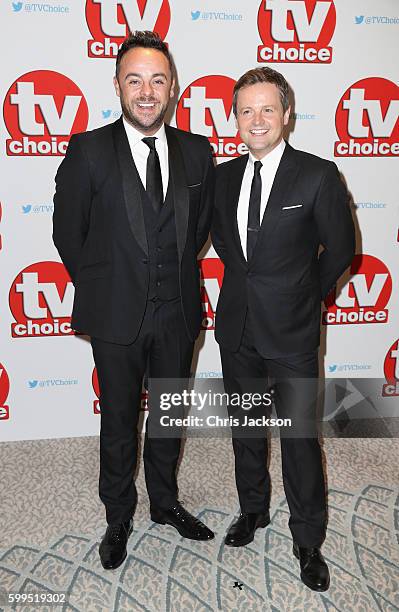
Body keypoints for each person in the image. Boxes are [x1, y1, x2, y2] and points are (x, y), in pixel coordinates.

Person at [53, 30, 215, 570]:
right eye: (135, 80)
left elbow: (198, 233)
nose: (146, 91)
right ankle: (118, 513)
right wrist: (107, 282)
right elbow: (67, 233)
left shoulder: (197, 152)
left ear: (172, 89)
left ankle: (165, 503)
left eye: (157, 80)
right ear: (118, 85)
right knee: (119, 418)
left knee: (168, 415)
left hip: (179, 312)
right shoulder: (88, 149)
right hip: (116, 313)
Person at [211, 67, 355, 591]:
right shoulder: (222, 177)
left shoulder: (317, 175)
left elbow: (341, 250)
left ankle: (308, 538)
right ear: (235, 118)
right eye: (245, 110)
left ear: (287, 115)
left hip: (292, 332)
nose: (256, 120)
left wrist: (306, 294)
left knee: (299, 438)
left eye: (267, 109)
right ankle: (253, 510)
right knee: (247, 431)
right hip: (237, 330)